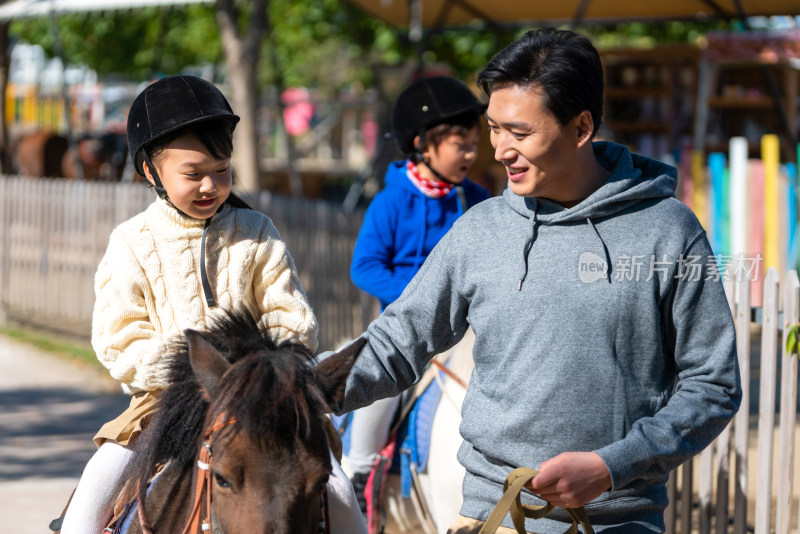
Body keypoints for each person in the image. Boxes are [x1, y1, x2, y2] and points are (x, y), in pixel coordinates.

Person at [332, 28, 741, 534]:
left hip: (618, 521)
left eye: (519, 133)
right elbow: (397, 343)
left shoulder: (668, 231)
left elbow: (714, 385)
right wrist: (304, 389)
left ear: (581, 126)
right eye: (493, 128)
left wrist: (614, 466)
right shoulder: (479, 230)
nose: (500, 149)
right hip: (488, 517)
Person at [59, 75, 364, 534]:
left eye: (221, 170)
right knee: (95, 486)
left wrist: (255, 373)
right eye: (192, 173)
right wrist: (185, 369)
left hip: (262, 403)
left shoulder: (257, 231)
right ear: (150, 171)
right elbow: (118, 338)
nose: (209, 185)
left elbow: (292, 320)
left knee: (340, 495)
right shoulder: (131, 244)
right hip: (162, 407)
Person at [346, 75, 490, 508]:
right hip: (405, 330)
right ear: (423, 145)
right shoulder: (391, 203)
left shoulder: (477, 199)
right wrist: (419, 294)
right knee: (378, 393)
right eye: (460, 145)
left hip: (465, 331)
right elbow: (365, 268)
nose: (471, 154)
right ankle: (358, 471)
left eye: (473, 144)